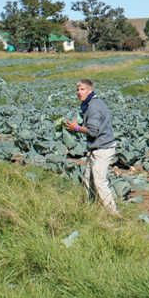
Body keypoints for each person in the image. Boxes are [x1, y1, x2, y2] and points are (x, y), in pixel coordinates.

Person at [65, 79, 119, 215]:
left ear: (90, 90)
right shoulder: (90, 103)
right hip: (96, 148)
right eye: (77, 90)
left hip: (103, 149)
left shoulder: (93, 106)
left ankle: (114, 214)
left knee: (100, 181)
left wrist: (76, 128)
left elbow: (93, 131)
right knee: (88, 179)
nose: (79, 92)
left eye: (82, 89)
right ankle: (90, 209)